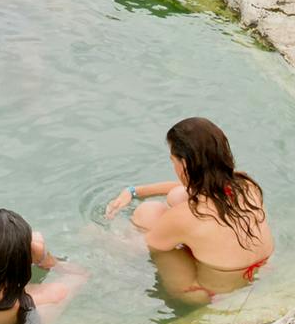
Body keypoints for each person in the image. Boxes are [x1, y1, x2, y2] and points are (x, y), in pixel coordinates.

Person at [104, 116, 272, 302]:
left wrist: (93, 234)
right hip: (259, 272)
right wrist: (134, 191)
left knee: (147, 214)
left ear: (184, 164)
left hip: (204, 293)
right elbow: (192, 187)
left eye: (173, 160)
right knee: (177, 196)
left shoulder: (183, 217)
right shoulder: (247, 185)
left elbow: (137, 249)